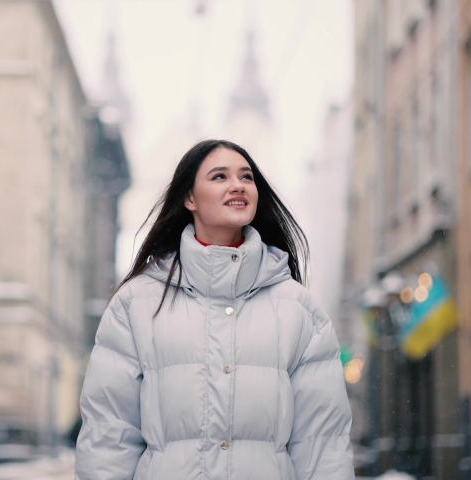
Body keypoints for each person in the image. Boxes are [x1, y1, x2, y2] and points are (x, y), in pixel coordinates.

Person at [75, 140, 354, 479]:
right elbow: (108, 436)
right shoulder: (136, 305)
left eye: (246, 177)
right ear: (189, 198)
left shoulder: (298, 310)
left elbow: (323, 444)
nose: (238, 185)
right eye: (220, 176)